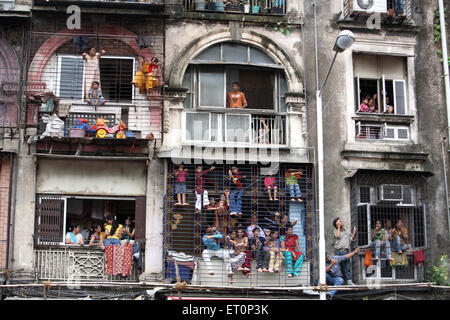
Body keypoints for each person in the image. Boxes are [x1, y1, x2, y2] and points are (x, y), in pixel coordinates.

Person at [332, 218, 357, 285]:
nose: (341, 222)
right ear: (336, 224)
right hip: (338, 251)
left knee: (346, 267)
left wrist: (354, 232)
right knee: (338, 268)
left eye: (341, 221)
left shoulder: (346, 231)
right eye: (339, 222)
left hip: (345, 251)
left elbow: (351, 239)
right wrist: (338, 227)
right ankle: (339, 282)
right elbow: (337, 236)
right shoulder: (335, 230)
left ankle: (349, 282)